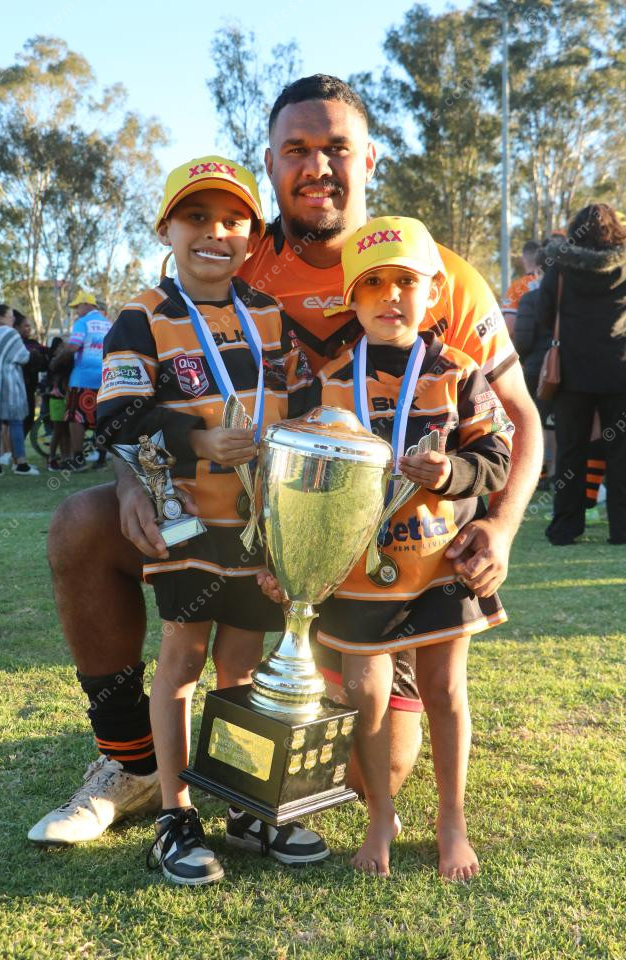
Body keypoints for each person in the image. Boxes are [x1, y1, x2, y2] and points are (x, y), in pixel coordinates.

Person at [30, 75, 542, 847]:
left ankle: (320, 695)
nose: (317, 166)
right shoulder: (233, 253)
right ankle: (130, 760)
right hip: (235, 514)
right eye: (295, 150)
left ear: (369, 157)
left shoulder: (437, 271)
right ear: (269, 163)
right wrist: (133, 479)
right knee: (81, 523)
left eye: (336, 147)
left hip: (385, 550)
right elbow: (146, 392)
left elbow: (523, 419)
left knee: (372, 775)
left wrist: (499, 527)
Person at [93, 155, 328, 885]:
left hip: (263, 526)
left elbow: (304, 405)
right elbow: (117, 416)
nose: (214, 234)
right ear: (165, 228)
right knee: (184, 660)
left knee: (242, 664)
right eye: (196, 217)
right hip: (188, 521)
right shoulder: (143, 316)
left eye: (232, 221)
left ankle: (244, 805)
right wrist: (197, 441)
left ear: (251, 234)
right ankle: (176, 813)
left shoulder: (269, 315)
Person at [261, 217, 512, 880]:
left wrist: (452, 473)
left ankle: (452, 820)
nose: (390, 295)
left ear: (434, 291)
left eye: (405, 281)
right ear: (351, 297)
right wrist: (282, 557)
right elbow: (295, 477)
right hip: (356, 570)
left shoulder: (458, 373)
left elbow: (496, 456)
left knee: (444, 689)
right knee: (364, 692)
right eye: (372, 283)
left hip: (439, 564)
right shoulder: (328, 380)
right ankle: (380, 815)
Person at [538, 203, 626, 545]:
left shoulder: (560, 266)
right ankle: (621, 528)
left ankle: (565, 527)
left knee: (571, 451)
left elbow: (545, 314)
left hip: (571, 372)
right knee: (620, 451)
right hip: (619, 369)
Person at [512, 248, 555, 487]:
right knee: (557, 424)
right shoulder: (567, 297)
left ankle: (536, 474)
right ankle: (556, 472)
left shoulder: (530, 299)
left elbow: (523, 340)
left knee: (532, 422)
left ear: (538, 270)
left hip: (535, 368)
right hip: (564, 369)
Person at [60, 291, 111, 471]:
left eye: (78, 307)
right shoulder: (109, 324)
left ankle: (78, 459)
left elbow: (73, 346)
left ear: (87, 305)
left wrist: (58, 358)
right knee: (102, 419)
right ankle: (101, 460)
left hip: (82, 378)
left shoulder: (82, 322)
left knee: (76, 417)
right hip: (106, 379)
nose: (76, 311)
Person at [0, 303, 39, 476]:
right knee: (16, 422)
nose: (13, 318)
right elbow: (23, 357)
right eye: (10, 315)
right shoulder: (11, 333)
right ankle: (21, 463)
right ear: (0, 318)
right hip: (9, 385)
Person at [13, 310, 48, 437]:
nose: (29, 328)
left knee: (29, 420)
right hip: (16, 390)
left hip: (29, 390)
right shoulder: (14, 344)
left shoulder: (33, 344)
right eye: (26, 326)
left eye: (30, 326)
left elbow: (46, 354)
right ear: (17, 327)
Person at [501, 240, 540, 337]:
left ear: (523, 259)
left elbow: (509, 326)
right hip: (551, 343)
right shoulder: (550, 283)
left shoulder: (515, 287)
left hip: (524, 344)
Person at [45, 336, 72, 470]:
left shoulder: (67, 363)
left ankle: (66, 458)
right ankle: (51, 459)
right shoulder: (54, 363)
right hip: (57, 400)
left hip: (65, 399)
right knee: (58, 431)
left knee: (66, 431)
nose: (64, 349)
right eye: (61, 347)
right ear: (55, 349)